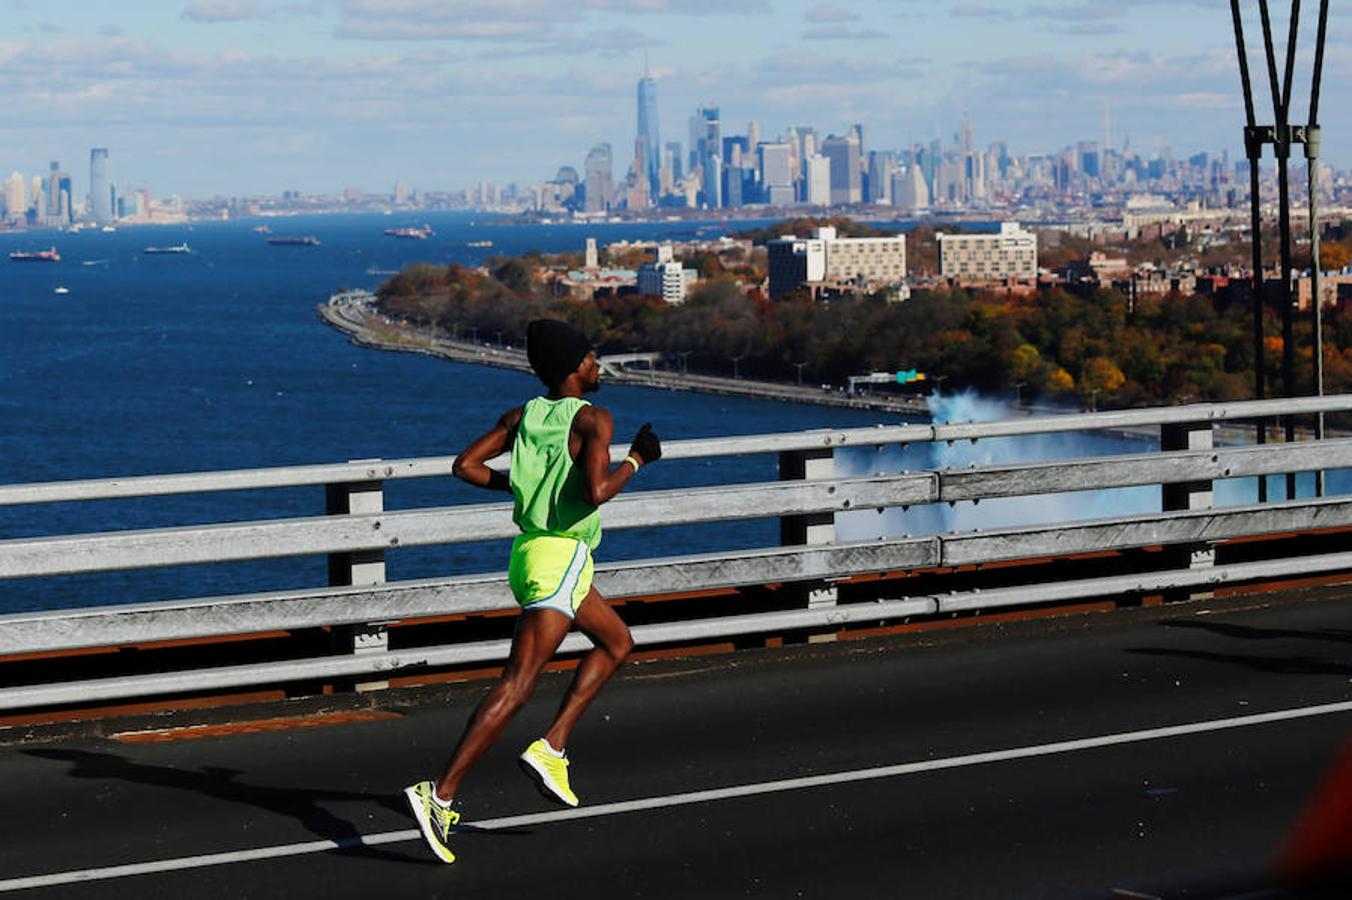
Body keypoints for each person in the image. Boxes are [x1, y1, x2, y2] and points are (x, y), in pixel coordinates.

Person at [404, 318, 661, 865]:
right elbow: (594, 493)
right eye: (591, 359)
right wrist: (637, 460)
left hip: (530, 555)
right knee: (517, 685)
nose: (598, 367)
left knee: (617, 642)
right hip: (563, 556)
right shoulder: (593, 419)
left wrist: (518, 484)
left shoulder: (523, 415)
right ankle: (440, 794)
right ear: (574, 367)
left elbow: (465, 466)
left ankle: (553, 745)